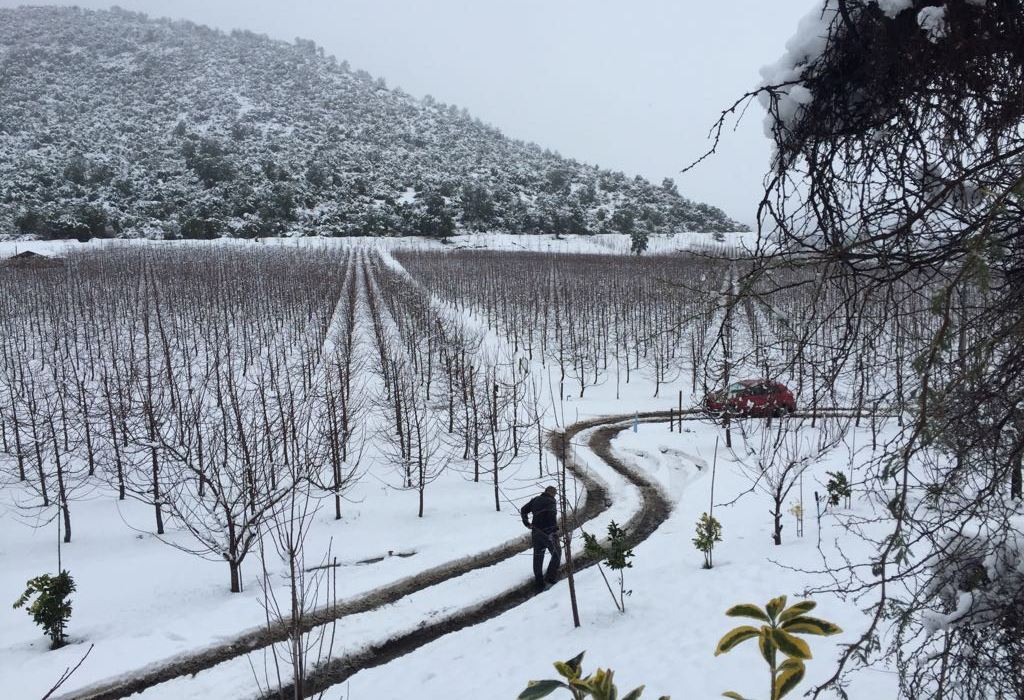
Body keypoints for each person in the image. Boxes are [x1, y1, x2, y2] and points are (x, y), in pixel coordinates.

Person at [520, 485, 561, 592]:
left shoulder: (535, 500)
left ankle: (539, 582)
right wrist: (554, 532)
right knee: (557, 553)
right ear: (552, 493)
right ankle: (550, 577)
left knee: (538, 556)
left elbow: (523, 510)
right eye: (555, 494)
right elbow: (552, 517)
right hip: (548, 534)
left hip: (536, 532)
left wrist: (526, 523)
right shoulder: (551, 502)